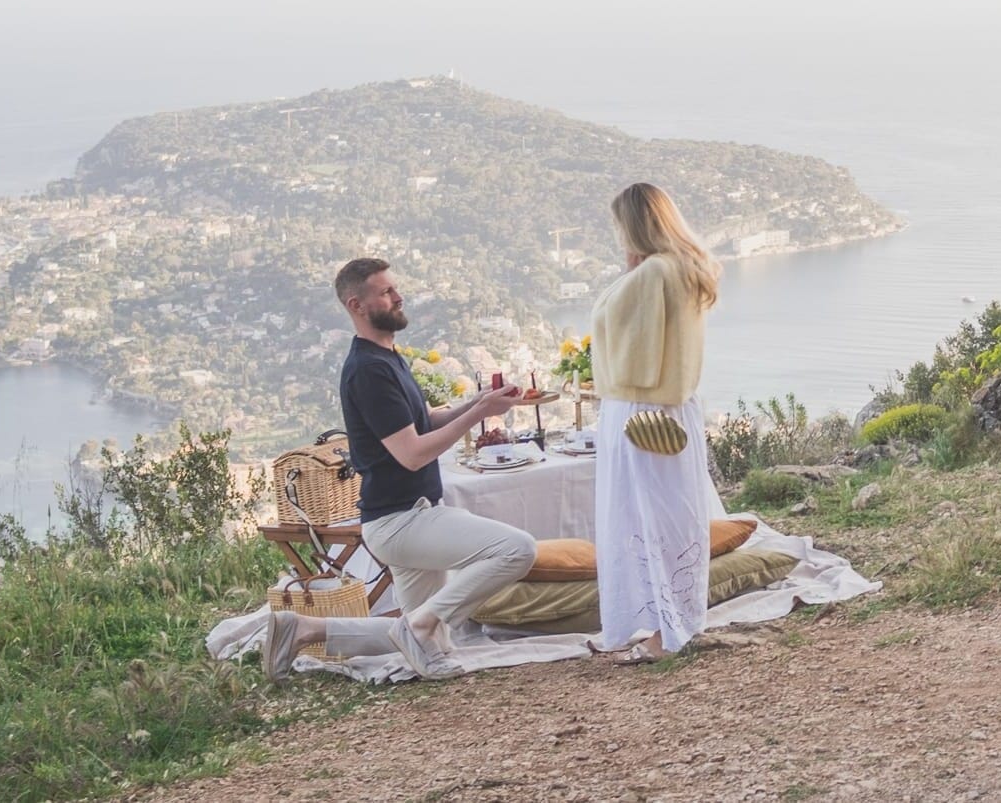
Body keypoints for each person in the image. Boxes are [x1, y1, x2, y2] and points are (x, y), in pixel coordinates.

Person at [261, 256, 535, 681]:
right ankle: (419, 626)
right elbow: (412, 454)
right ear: (356, 305)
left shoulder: (386, 356)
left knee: (433, 638)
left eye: (395, 288)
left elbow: (426, 421)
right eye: (386, 292)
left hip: (405, 516)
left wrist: (481, 403)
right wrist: (477, 415)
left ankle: (303, 629)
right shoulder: (368, 371)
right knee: (517, 550)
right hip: (402, 521)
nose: (398, 296)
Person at [588, 181, 720, 662]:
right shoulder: (687, 266)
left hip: (639, 411)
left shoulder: (652, 273)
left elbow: (619, 335)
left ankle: (665, 631)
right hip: (674, 409)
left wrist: (630, 268)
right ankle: (665, 621)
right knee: (671, 517)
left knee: (640, 518)